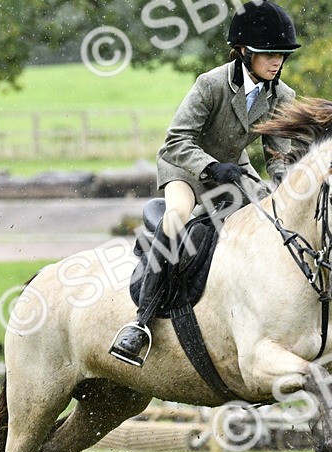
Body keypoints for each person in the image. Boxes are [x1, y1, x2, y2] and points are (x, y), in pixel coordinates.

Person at [109, 0, 300, 367]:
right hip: (185, 167)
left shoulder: (282, 96)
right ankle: (140, 324)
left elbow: (279, 156)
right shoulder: (210, 84)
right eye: (267, 54)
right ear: (244, 52)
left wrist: (284, 188)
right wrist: (211, 167)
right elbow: (176, 141)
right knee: (179, 216)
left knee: (268, 219)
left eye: (281, 55)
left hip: (233, 169)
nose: (276, 62)